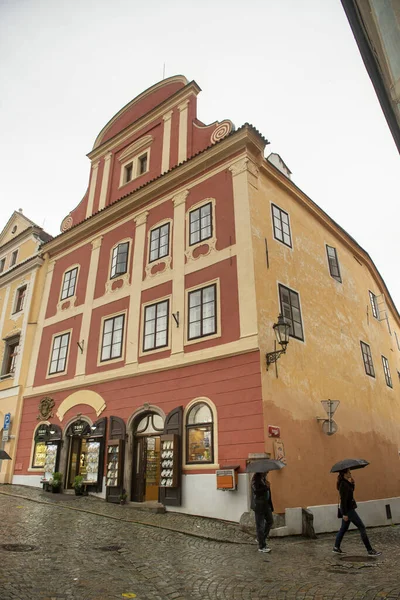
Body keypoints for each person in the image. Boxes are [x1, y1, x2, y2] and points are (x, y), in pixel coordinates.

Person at [333, 469, 381, 556]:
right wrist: (344, 514)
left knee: (343, 529)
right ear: (344, 474)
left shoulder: (346, 483)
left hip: (348, 509)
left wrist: (352, 484)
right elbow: (343, 500)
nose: (350, 473)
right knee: (361, 527)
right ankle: (370, 550)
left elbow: (350, 493)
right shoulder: (343, 484)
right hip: (349, 510)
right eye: (348, 472)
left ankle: (336, 547)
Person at [251, 472, 274, 553]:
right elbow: (257, 491)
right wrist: (266, 487)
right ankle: (262, 546)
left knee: (270, 521)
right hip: (259, 505)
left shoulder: (263, 479)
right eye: (266, 471)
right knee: (260, 525)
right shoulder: (255, 480)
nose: (267, 472)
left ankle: (260, 538)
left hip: (266, 504)